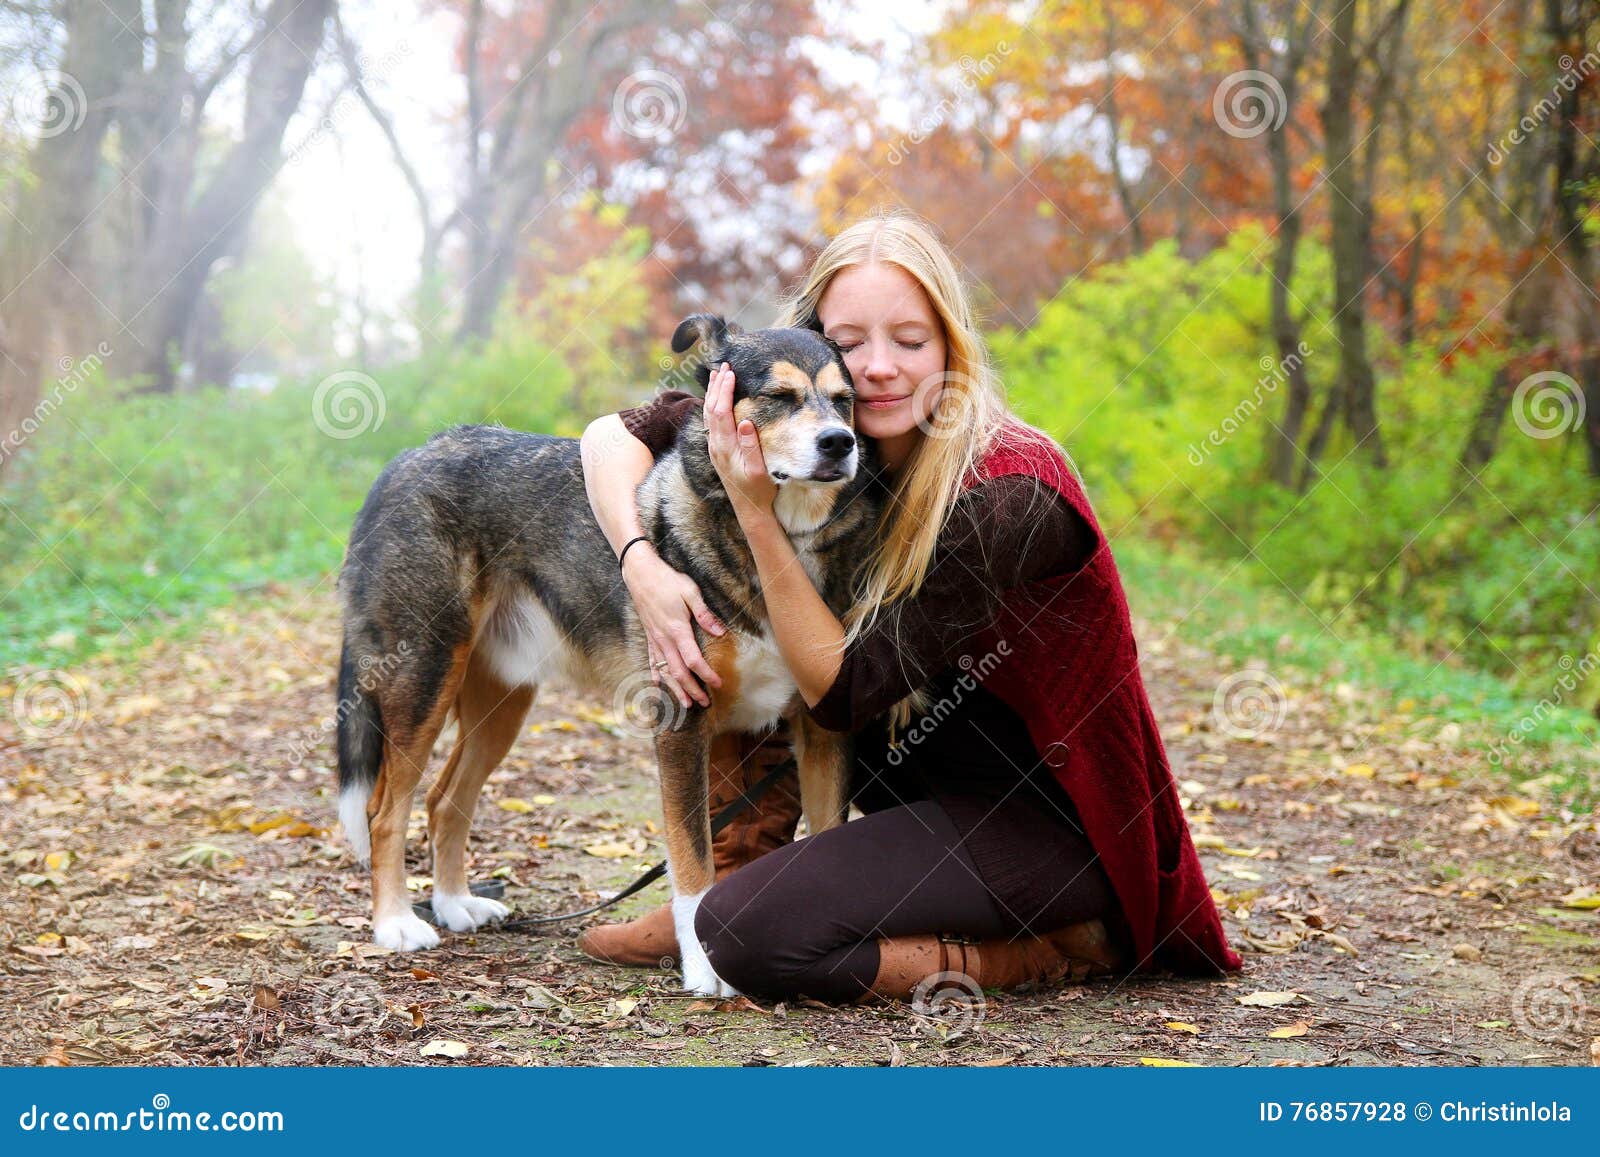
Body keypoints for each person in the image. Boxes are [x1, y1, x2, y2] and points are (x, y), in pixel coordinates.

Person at [576, 208, 1241, 1003]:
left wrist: (755, 513)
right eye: (850, 344)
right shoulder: (824, 435)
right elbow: (610, 437)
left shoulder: (1008, 495)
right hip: (926, 806)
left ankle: (1043, 950)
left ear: (952, 349)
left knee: (758, 939)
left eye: (911, 341)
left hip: (1054, 827)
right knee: (721, 632)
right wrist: (641, 562)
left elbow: (844, 695)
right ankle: (733, 880)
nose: (878, 368)